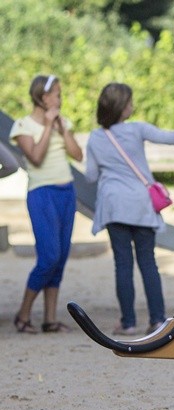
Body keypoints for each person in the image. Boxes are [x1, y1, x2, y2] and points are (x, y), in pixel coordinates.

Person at [85, 82, 174, 335]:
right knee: (148, 262)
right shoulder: (137, 129)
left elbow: (91, 175)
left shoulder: (95, 138)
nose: (132, 106)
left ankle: (127, 322)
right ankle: (158, 320)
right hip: (140, 205)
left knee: (122, 264)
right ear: (122, 108)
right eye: (129, 102)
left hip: (114, 206)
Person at [10, 75, 83, 334]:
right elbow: (36, 158)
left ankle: (50, 320)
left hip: (67, 192)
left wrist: (62, 129)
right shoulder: (23, 126)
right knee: (48, 256)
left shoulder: (63, 123)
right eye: (56, 95)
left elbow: (78, 154)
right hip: (42, 194)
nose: (59, 99)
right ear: (42, 97)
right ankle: (23, 314)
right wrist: (48, 125)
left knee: (60, 257)